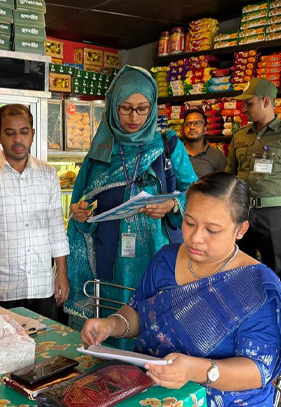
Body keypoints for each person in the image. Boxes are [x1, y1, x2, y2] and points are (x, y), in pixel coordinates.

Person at [81, 172, 281, 407]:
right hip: (153, 390)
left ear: (240, 230)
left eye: (212, 230)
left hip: (226, 400)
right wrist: (111, 324)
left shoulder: (256, 286)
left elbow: (258, 369)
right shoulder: (166, 259)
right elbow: (138, 312)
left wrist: (195, 370)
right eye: (189, 223)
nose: (195, 238)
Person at [65, 66, 197, 340]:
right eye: (125, 108)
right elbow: (83, 209)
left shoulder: (167, 145)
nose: (134, 117)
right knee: (109, 326)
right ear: (113, 107)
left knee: (154, 324)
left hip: (156, 255)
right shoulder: (101, 150)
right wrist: (81, 215)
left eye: (143, 108)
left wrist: (173, 205)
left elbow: (197, 195)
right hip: (108, 259)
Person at [0, 104, 70, 321]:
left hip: (42, 286)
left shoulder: (49, 175)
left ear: (32, 133)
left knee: (47, 351)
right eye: (10, 133)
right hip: (3, 289)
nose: (18, 140)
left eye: (23, 132)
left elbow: (56, 228)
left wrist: (62, 273)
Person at [226, 78, 281, 284]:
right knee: (238, 271)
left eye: (249, 103)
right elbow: (229, 179)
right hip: (241, 212)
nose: (244, 108)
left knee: (277, 275)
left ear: (266, 102)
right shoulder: (239, 137)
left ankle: (279, 315)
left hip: (274, 216)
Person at [181, 108, 227, 177]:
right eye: (187, 124)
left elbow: (225, 184)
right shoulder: (174, 153)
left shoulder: (217, 157)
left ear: (205, 129)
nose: (192, 127)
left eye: (197, 123)